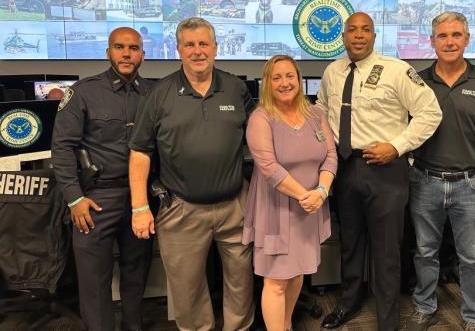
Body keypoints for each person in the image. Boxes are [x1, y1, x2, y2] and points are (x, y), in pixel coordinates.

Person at [128, 17, 255, 331]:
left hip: (236, 206)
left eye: (203, 44)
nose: (198, 51)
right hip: (181, 209)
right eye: (190, 45)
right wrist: (139, 207)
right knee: (187, 290)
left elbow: (260, 137)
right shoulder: (159, 94)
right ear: (178, 49)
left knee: (242, 283)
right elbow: (140, 152)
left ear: (215, 48)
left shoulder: (235, 88)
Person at [318, 11, 442, 331]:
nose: (358, 35)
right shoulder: (333, 71)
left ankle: (388, 320)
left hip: (385, 169)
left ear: (375, 36)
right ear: (343, 36)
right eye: (352, 30)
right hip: (345, 168)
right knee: (351, 242)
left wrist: (398, 146)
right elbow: (321, 113)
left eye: (366, 30)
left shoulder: (397, 70)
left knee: (387, 251)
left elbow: (430, 113)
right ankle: (348, 302)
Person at [407, 12, 475, 331]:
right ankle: (425, 307)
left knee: (472, 257)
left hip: (472, 185)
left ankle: (473, 316)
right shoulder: (417, 81)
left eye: (456, 35)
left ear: (467, 39)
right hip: (425, 181)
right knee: (425, 253)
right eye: (442, 36)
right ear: (432, 41)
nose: (449, 41)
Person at [51, 27, 152, 331]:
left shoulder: (153, 94)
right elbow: (62, 147)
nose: (126, 53)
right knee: (95, 283)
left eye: (133, 48)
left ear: (142, 54)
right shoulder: (84, 92)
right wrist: (74, 198)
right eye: (119, 47)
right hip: (95, 199)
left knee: (136, 276)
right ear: (108, 52)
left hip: (140, 199)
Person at [243, 54, 337, 331]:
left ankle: (285, 326)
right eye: (277, 77)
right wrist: (306, 196)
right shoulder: (261, 118)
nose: (285, 83)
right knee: (276, 281)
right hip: (278, 210)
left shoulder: (315, 114)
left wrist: (321, 190)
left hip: (310, 208)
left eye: (290, 76)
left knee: (297, 274)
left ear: (298, 78)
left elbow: (330, 156)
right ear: (267, 84)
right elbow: (269, 168)